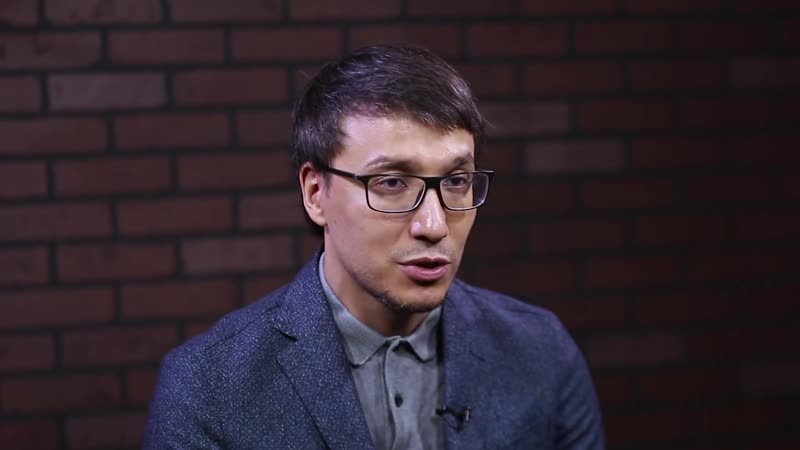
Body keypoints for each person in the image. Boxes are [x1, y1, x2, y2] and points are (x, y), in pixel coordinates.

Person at [143, 43, 604, 450]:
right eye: (391, 183)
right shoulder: (208, 387)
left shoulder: (541, 352)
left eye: (456, 181)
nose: (433, 225)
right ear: (315, 193)